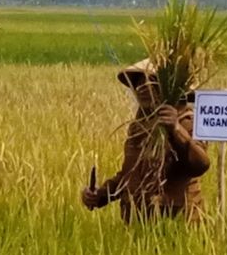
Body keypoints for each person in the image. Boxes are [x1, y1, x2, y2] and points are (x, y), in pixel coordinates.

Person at [81, 59, 208, 222]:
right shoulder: (139, 125)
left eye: (152, 81)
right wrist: (101, 195)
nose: (142, 88)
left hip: (175, 220)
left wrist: (175, 129)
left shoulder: (186, 122)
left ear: (172, 88)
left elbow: (200, 164)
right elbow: (130, 174)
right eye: (139, 82)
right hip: (138, 221)